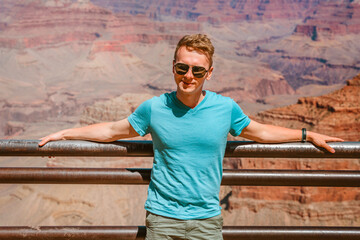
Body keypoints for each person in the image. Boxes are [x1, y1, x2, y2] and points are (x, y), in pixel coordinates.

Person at [39, 34, 343, 240]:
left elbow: (259, 131)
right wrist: (66, 132)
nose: (189, 76)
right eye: (182, 68)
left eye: (197, 71)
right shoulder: (154, 108)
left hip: (207, 220)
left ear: (209, 73)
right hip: (162, 219)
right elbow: (112, 130)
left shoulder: (225, 108)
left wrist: (307, 134)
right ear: (173, 68)